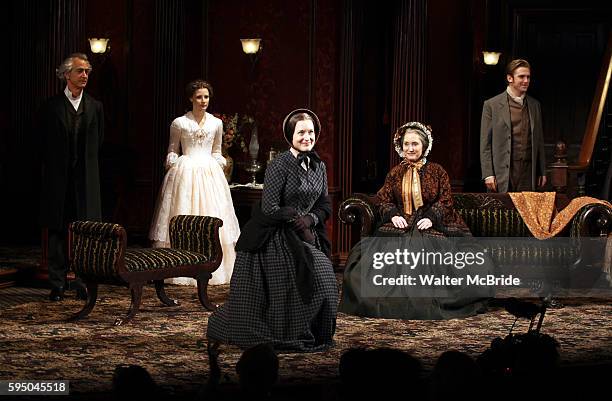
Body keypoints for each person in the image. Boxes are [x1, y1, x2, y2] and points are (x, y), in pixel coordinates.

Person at [207, 108, 337, 352]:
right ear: (290, 135)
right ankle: (289, 328)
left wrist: (309, 221)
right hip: (277, 236)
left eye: (311, 132)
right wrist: (295, 221)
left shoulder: (319, 165)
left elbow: (324, 203)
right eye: (301, 133)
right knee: (308, 277)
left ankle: (316, 332)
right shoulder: (280, 164)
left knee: (324, 277)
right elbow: (269, 207)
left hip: (306, 232)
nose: (307, 137)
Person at [339, 122, 491, 319]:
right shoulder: (395, 173)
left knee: (425, 247)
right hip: (401, 221)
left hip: (430, 222)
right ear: (400, 147)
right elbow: (383, 199)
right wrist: (393, 214)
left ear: (424, 146)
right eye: (406, 144)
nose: (410, 149)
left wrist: (430, 217)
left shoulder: (437, 171)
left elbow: (446, 200)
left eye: (415, 144)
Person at [149, 79, 240, 285]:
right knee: (182, 213)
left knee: (212, 216)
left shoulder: (216, 123)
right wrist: (171, 161)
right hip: (186, 171)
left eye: (206, 97)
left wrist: (220, 163)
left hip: (209, 174)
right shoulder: (179, 123)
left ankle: (213, 266)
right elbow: (173, 149)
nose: (203, 100)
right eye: (199, 97)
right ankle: (178, 266)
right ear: (191, 98)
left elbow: (216, 150)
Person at [40, 53, 104, 302]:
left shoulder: (95, 106)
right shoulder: (51, 107)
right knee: (57, 230)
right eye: (80, 71)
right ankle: (57, 283)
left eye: (88, 71)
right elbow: (42, 144)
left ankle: (82, 282)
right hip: (58, 179)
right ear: (67, 74)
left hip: (86, 179)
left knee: (85, 231)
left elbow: (98, 143)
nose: (85, 75)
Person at [480, 58, 547, 193]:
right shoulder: (492, 105)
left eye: (528, 77)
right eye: (521, 76)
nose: (526, 80)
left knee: (527, 213)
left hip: (528, 173)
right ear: (510, 78)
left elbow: (539, 140)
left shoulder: (535, 105)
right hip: (503, 173)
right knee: (503, 212)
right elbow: (485, 143)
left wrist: (542, 171)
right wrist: (488, 174)